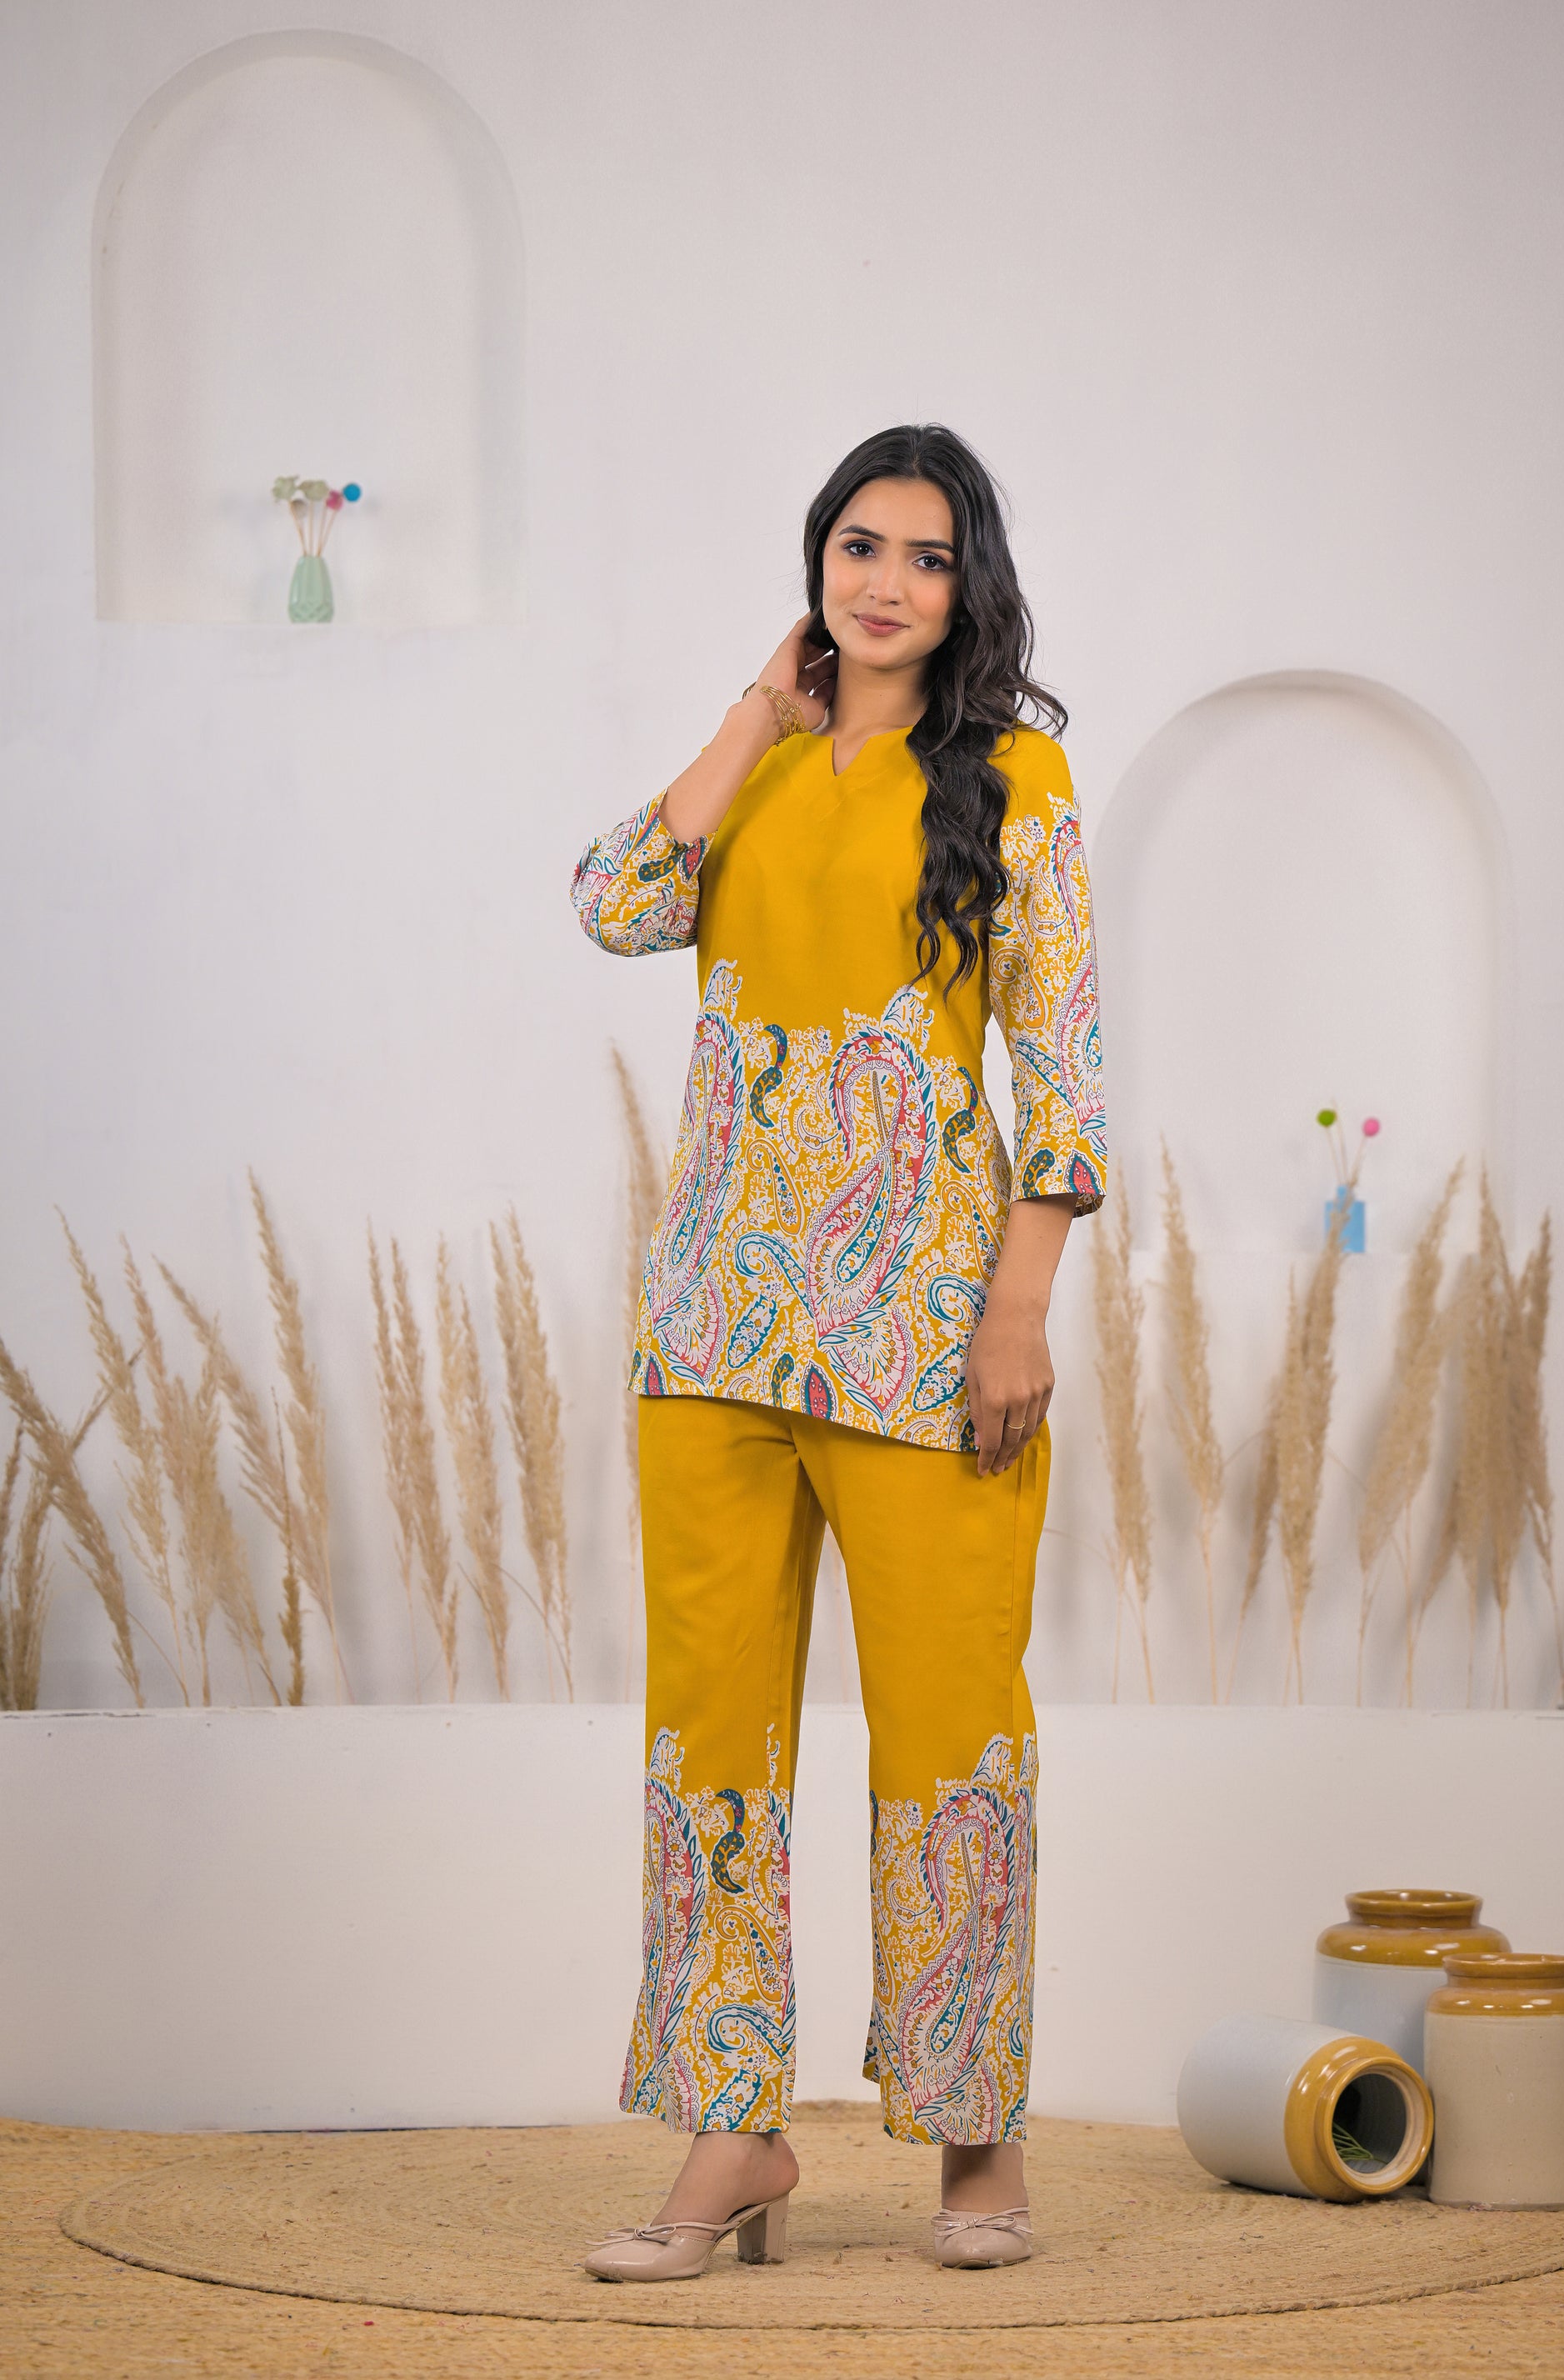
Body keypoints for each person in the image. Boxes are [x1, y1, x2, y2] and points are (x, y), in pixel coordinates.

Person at [571, 423, 1106, 2280]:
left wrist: (1019, 1308)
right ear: (817, 565)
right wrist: (754, 715)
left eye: (927, 557)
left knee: (953, 1736)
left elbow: (1065, 1063)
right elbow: (614, 905)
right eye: (859, 546)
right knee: (708, 1737)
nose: (886, 582)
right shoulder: (763, 767)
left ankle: (976, 2133)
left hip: (925, 1339)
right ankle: (733, 2133)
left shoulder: (1015, 775)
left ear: (971, 588)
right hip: (711, 1335)